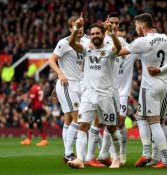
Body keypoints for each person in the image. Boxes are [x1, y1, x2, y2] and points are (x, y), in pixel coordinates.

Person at [118, 13, 167, 168]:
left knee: (154, 123)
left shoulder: (141, 41)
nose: (135, 28)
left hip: (150, 86)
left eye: (136, 25)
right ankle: (153, 154)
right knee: (142, 117)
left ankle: (166, 158)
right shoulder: (164, 38)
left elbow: (119, 52)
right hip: (164, 84)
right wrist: (163, 64)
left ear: (142, 25)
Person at [67, 13, 122, 169]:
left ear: (103, 35)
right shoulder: (86, 49)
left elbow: (119, 48)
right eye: (92, 34)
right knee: (82, 126)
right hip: (88, 95)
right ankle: (80, 159)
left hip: (106, 95)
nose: (95, 36)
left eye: (98, 33)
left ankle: (116, 158)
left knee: (111, 128)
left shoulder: (110, 49)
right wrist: (76, 27)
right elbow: (72, 44)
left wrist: (112, 33)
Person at [48, 16, 90, 163]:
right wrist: (60, 74)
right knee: (77, 118)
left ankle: (70, 153)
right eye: (75, 27)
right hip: (68, 84)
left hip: (80, 84)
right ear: (70, 28)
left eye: (81, 27)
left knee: (69, 119)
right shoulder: (64, 43)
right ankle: (68, 153)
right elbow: (51, 60)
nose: (79, 29)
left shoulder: (86, 42)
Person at [20, 78, 48, 146]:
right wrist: (44, 105)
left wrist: (27, 108)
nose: (28, 83)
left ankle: (43, 140)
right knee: (33, 121)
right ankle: (29, 139)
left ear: (31, 82)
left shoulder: (33, 88)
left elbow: (32, 100)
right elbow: (42, 98)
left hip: (36, 108)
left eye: (29, 81)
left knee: (36, 122)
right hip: (39, 107)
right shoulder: (39, 88)